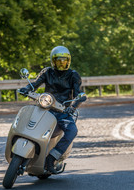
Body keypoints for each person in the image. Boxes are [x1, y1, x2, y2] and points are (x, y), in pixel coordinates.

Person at [19, 46, 85, 174]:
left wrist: (72, 107)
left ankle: (51, 158)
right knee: (29, 120)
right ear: (52, 61)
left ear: (69, 61)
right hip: (45, 107)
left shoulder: (73, 75)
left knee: (72, 131)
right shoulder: (47, 72)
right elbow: (35, 83)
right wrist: (27, 88)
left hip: (63, 111)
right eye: (58, 61)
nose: (61, 63)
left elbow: (78, 95)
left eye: (64, 61)